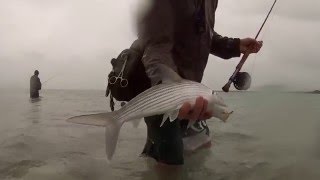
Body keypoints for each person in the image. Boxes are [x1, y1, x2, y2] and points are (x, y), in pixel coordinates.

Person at [136, 0, 263, 166]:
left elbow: (203, 33)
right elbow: (156, 46)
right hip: (161, 93)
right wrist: (169, 89)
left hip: (192, 94)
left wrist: (235, 45)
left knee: (202, 146)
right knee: (171, 162)